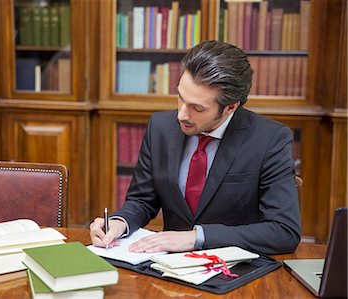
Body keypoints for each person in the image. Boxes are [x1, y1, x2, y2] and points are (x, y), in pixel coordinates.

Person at [90, 40, 301, 255]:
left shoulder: (270, 139)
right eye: (180, 97)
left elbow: (284, 232)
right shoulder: (160, 127)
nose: (181, 114)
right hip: (168, 268)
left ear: (230, 107)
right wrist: (118, 224)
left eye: (197, 108)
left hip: (233, 269)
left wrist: (197, 237)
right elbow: (142, 200)